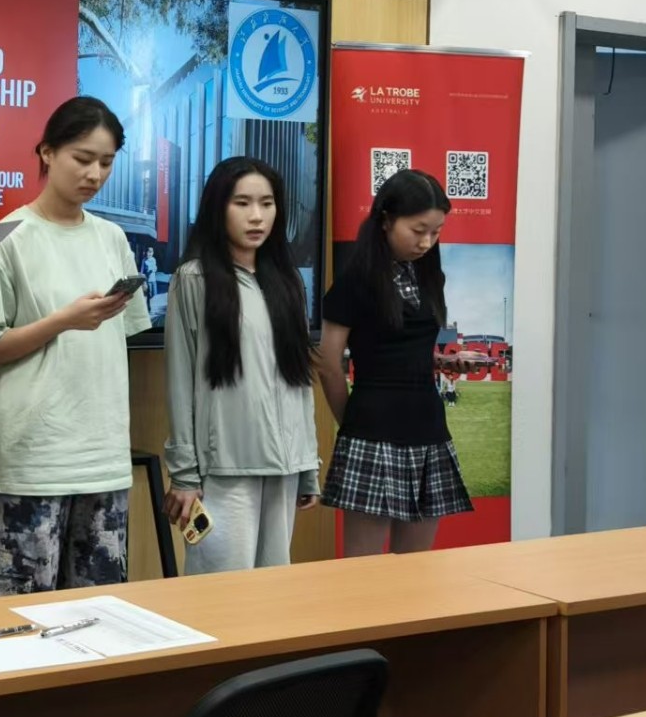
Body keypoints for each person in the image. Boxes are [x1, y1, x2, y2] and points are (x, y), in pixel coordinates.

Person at [0, 96, 151, 597]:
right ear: (47, 152)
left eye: (106, 162)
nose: (95, 174)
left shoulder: (112, 238)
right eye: (83, 158)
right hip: (31, 459)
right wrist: (61, 322)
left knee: (99, 611)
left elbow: (123, 334)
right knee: (19, 613)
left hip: (102, 455)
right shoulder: (5, 238)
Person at [162, 157, 321, 572]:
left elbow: (298, 381)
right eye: (242, 203)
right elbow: (180, 381)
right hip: (224, 470)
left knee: (273, 595)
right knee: (219, 594)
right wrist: (184, 473)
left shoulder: (288, 282)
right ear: (218, 208)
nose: (256, 216)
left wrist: (307, 465)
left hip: (284, 469)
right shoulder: (194, 279)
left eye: (267, 203)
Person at [317, 169, 477, 557]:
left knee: (417, 569)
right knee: (364, 572)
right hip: (373, 430)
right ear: (386, 220)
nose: (426, 242)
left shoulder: (430, 276)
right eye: (418, 230)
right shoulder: (355, 281)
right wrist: (350, 424)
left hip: (427, 426)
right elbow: (328, 363)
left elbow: (406, 348)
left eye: (436, 232)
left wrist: (444, 361)